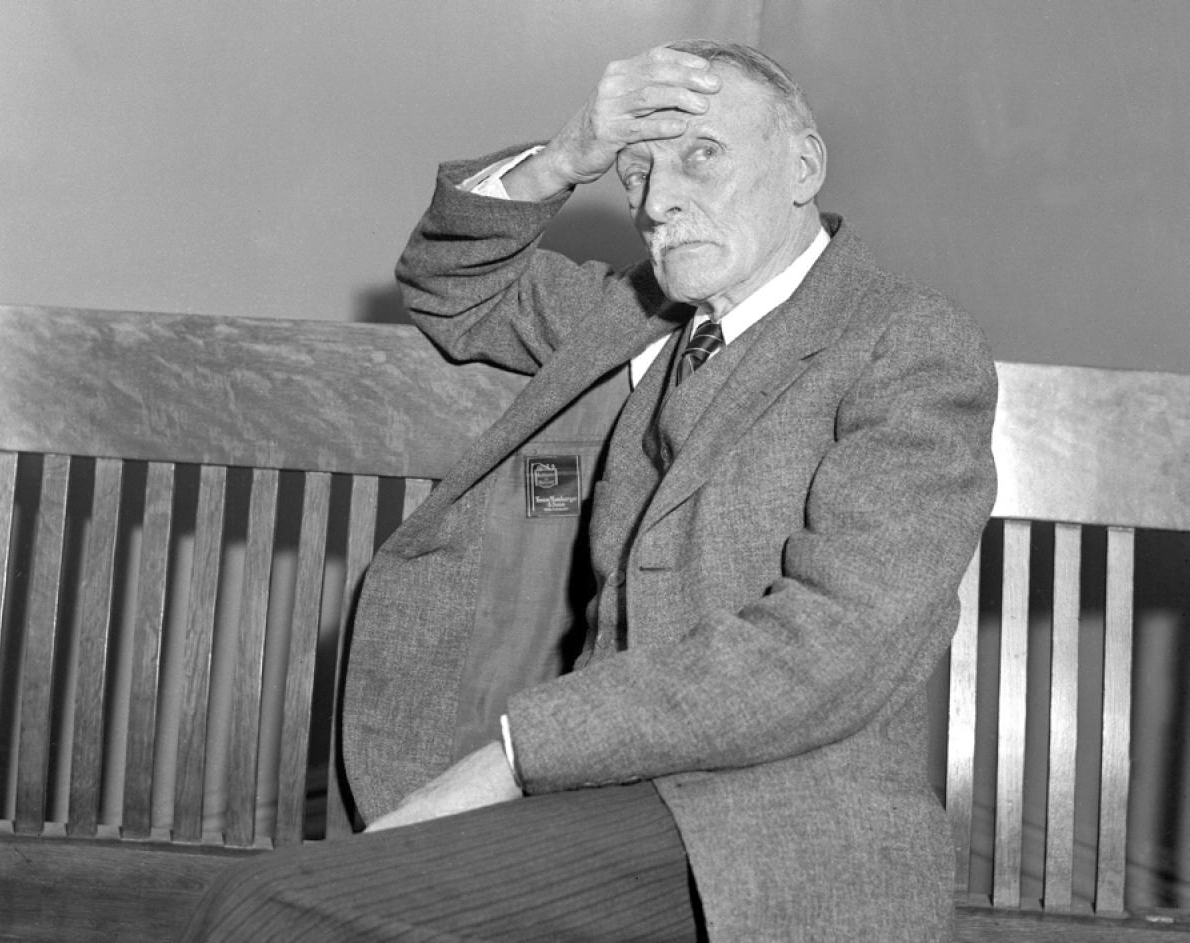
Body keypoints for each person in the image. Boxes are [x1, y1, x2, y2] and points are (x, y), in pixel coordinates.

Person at [184, 40, 996, 942]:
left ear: (803, 166)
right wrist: (568, 154)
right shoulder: (636, 318)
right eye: (638, 172)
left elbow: (835, 642)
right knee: (261, 900)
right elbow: (451, 287)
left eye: (702, 155)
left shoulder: (904, 342)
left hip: (776, 835)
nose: (658, 201)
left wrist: (513, 754)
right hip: (599, 799)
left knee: (266, 908)